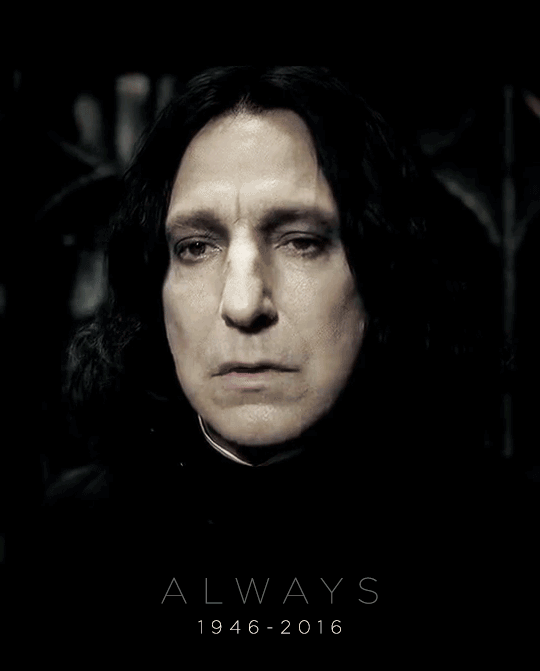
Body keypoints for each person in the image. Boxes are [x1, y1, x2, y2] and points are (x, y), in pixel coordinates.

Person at [33, 66, 514, 609]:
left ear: (381, 269)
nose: (243, 305)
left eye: (301, 242)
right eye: (196, 247)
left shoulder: (492, 530)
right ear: (153, 286)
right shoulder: (75, 532)